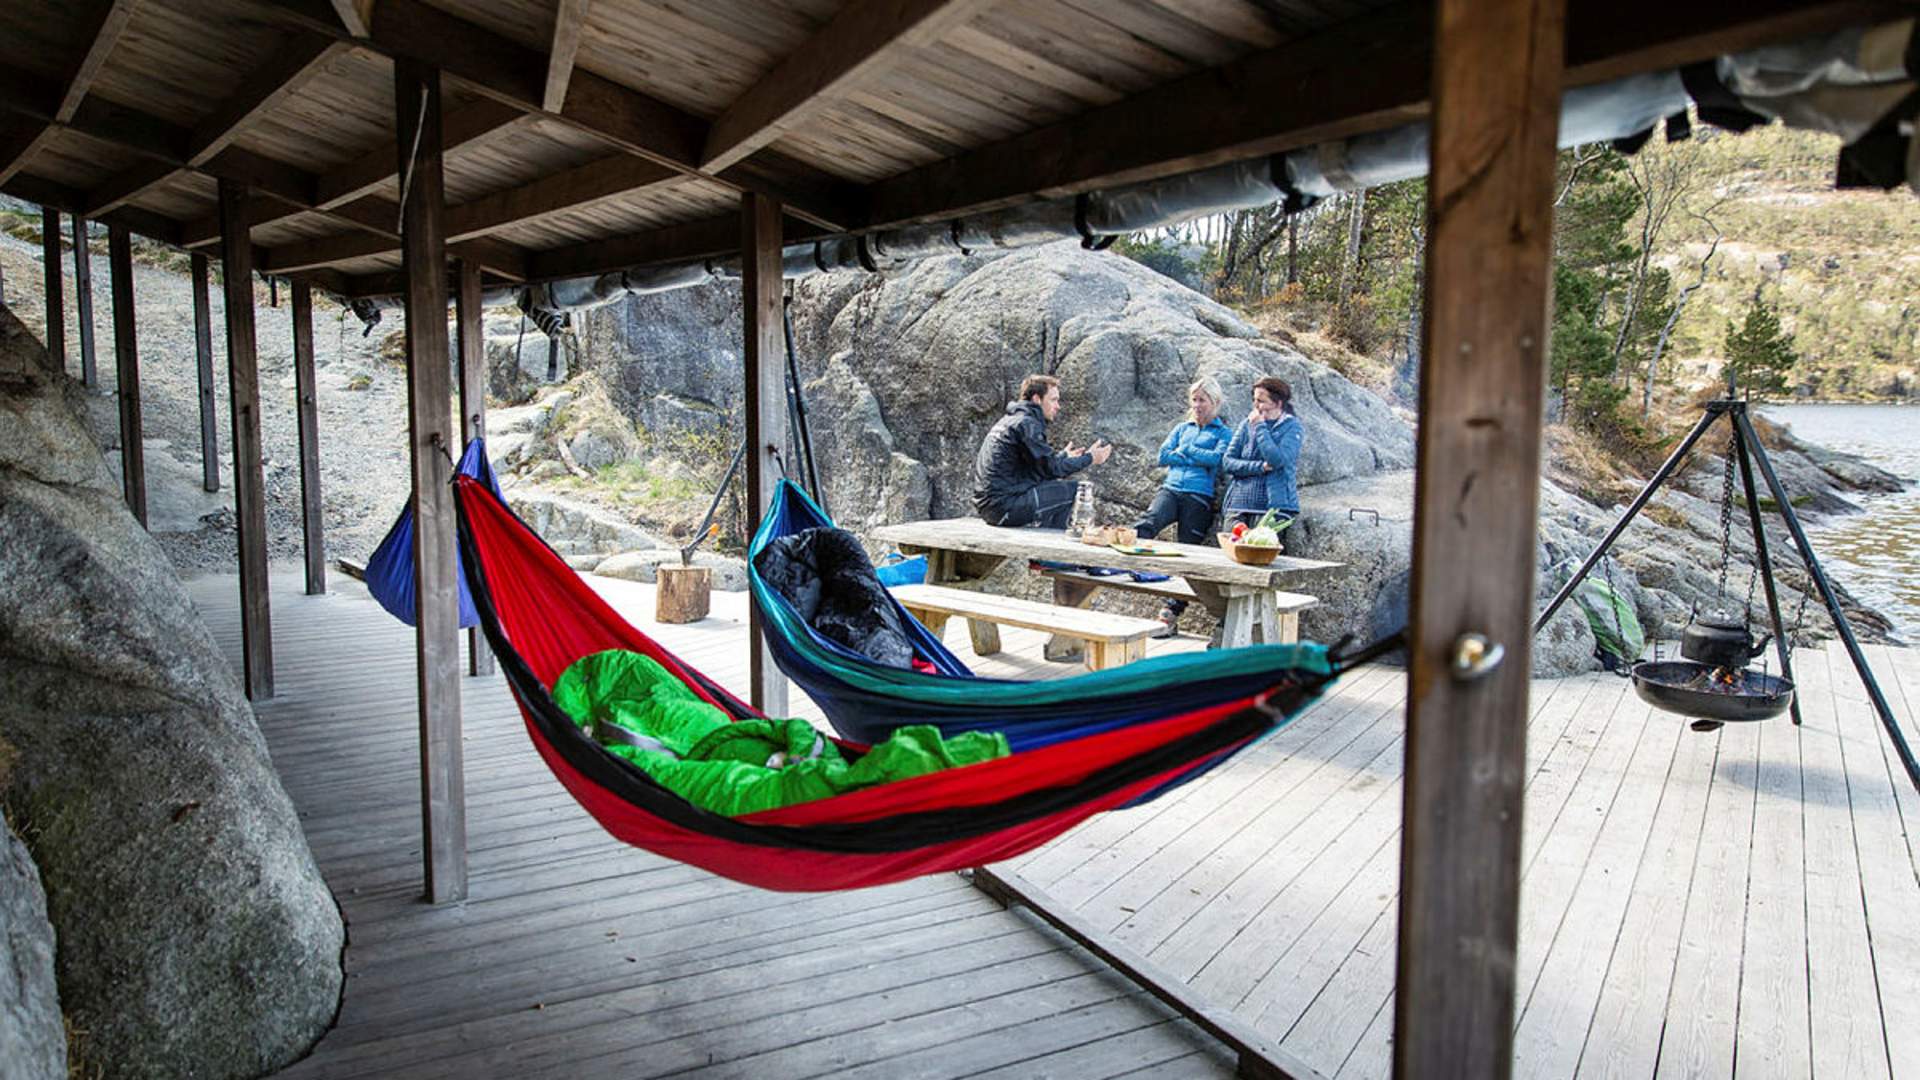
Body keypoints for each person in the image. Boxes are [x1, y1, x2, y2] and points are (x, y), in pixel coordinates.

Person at [1135, 376, 1232, 636]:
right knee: (1147, 523)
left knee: (1187, 553)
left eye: (1203, 400)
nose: (1197, 405)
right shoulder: (1181, 427)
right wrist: (1193, 456)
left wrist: (1186, 451)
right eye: (1195, 399)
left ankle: (1170, 612)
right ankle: (1121, 569)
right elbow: (1162, 456)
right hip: (1171, 489)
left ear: (1216, 402)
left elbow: (1218, 460)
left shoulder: (1223, 433)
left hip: (1199, 497)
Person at [972, 374, 1112, 528]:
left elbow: (1038, 469)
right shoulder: (1027, 424)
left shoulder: (1010, 421)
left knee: (1052, 485)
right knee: (1074, 490)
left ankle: (1046, 534)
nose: (1058, 406)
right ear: (1037, 399)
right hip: (1004, 507)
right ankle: (1054, 542)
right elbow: (1052, 469)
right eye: (1053, 400)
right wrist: (1091, 457)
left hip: (992, 508)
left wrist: (1063, 456)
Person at [1222, 376, 1303, 530]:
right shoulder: (1246, 424)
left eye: (1261, 401)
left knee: (1259, 549)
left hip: (1274, 505)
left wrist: (1260, 426)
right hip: (1239, 502)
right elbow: (1228, 462)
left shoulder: (1293, 427)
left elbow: (1276, 460)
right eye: (1255, 400)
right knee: (1233, 546)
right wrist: (1259, 467)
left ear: (1278, 403)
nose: (1255, 405)